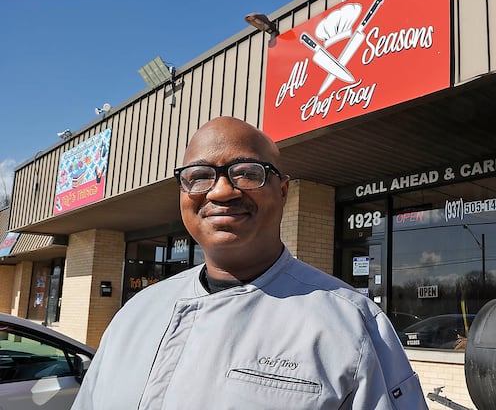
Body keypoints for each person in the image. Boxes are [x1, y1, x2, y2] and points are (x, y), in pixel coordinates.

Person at [73, 116, 428, 409]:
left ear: (283, 191)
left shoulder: (352, 324)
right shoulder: (135, 315)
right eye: (198, 177)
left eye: (247, 172)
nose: (221, 191)